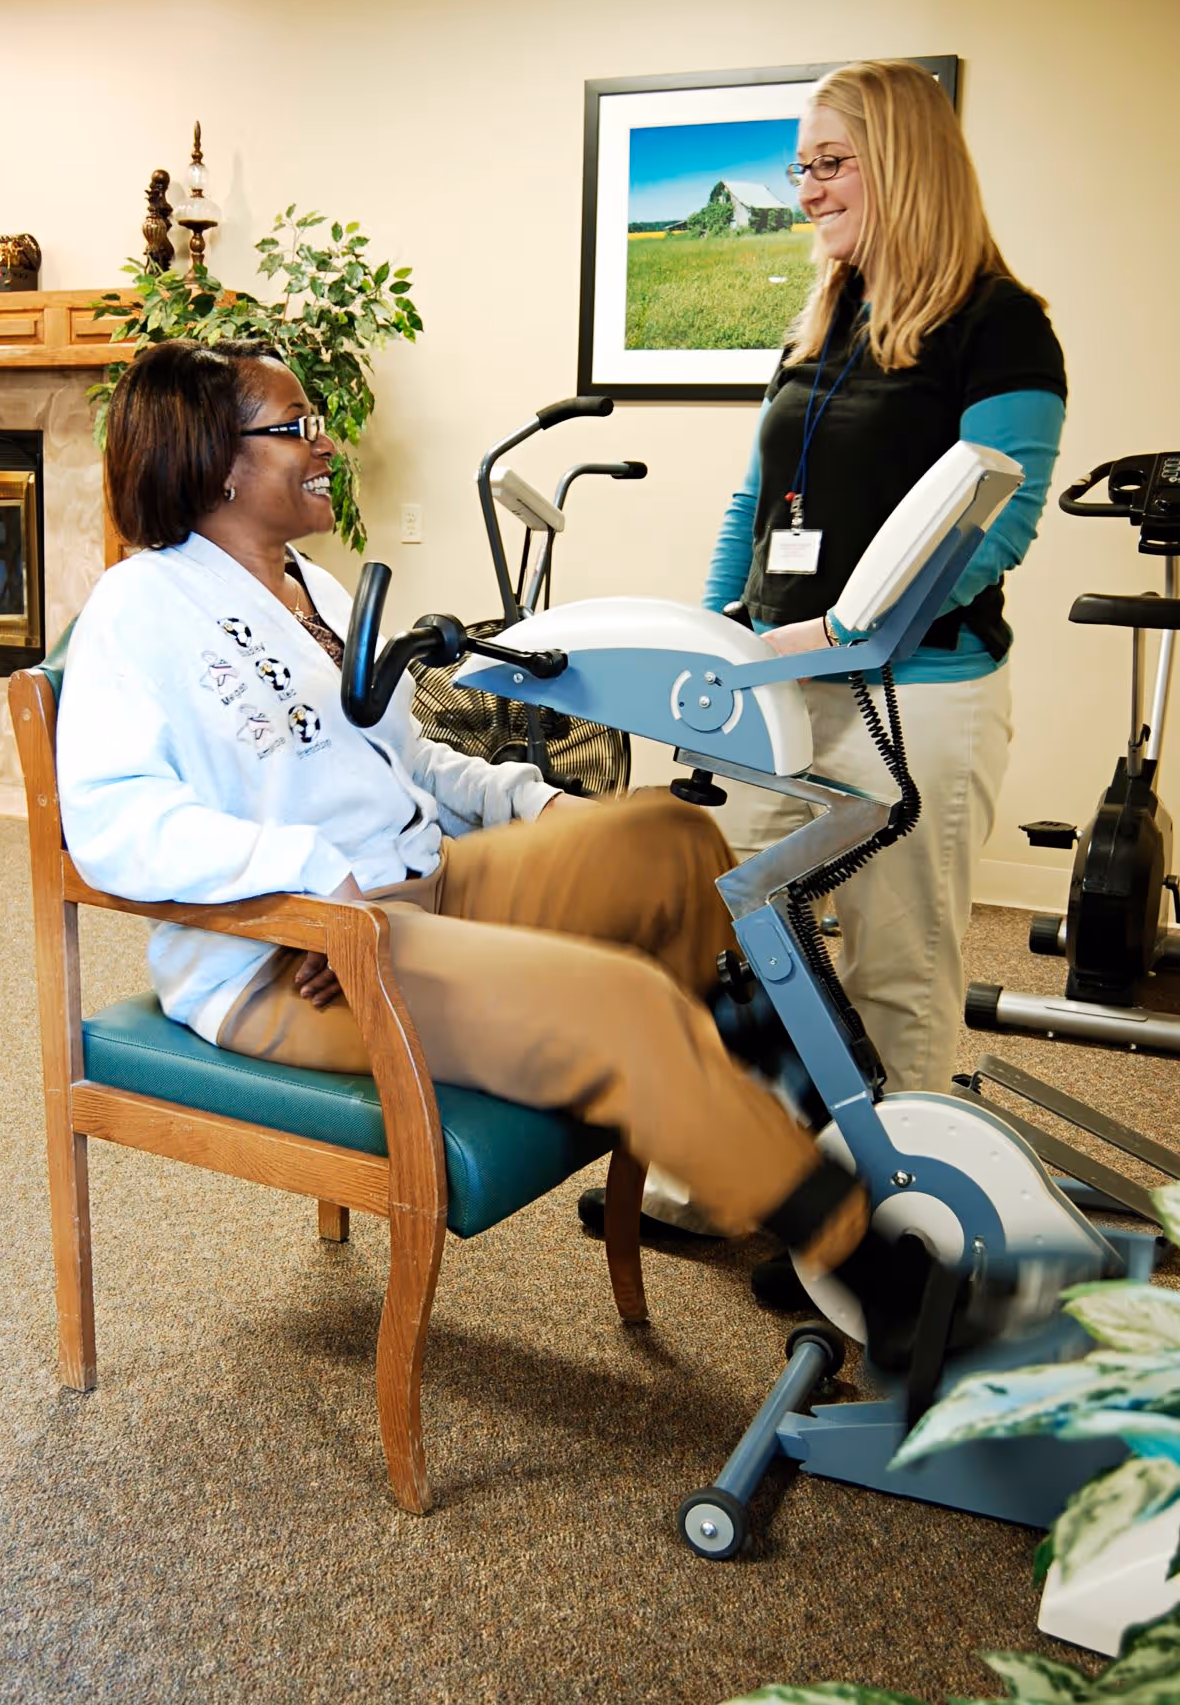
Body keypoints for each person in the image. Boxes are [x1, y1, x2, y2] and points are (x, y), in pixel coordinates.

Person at [55, 335, 1000, 1374]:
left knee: (674, 838)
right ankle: (883, 1275)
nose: (327, 445)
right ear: (218, 460)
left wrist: (537, 803)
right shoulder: (138, 608)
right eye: (298, 429)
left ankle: (760, 1110)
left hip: (419, 887)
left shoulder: (310, 592)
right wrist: (310, 878)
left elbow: (408, 759)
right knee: (619, 1005)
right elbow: (110, 819)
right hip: (293, 960)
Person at [579, 58, 1067, 1258]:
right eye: (798, 165)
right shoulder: (826, 319)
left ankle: (900, 1237)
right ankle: (769, 1193)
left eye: (829, 161)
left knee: (902, 969)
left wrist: (854, 631)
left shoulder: (1000, 326)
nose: (806, 187)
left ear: (903, 162)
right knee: (732, 931)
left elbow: (995, 525)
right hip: (780, 692)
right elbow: (760, 498)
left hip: (920, 697)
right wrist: (702, 645)